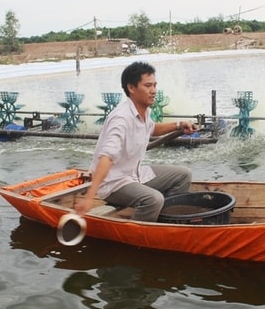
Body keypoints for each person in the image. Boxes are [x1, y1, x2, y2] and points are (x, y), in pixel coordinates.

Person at [74, 61, 196, 221]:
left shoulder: (143, 112)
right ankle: (138, 232)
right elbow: (107, 157)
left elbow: (151, 129)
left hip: (135, 174)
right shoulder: (121, 119)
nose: (153, 91)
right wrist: (89, 196)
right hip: (113, 183)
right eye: (147, 86)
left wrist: (179, 125)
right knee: (153, 199)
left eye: (154, 85)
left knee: (183, 175)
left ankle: (165, 221)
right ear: (131, 88)